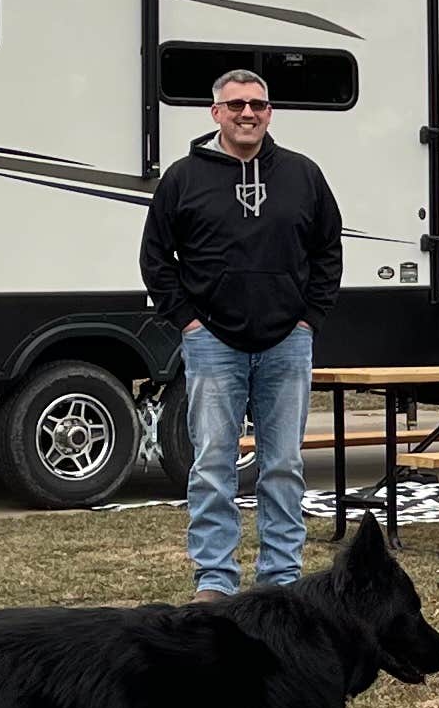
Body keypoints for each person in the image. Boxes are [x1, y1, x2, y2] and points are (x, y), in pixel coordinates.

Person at [142, 69, 343, 594]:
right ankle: (216, 580)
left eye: (257, 104)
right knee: (211, 465)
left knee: (283, 466)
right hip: (212, 343)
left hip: (287, 343)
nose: (247, 113)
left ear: (270, 112)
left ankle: (280, 578)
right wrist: (187, 320)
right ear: (216, 114)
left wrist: (308, 319)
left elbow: (328, 251)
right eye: (235, 105)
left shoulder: (303, 175)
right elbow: (155, 257)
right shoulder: (184, 178)